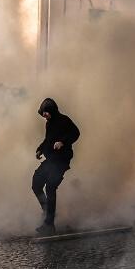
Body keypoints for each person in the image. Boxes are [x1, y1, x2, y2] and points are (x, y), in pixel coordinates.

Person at [32, 98, 80, 235]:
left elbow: (76, 133)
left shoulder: (64, 120)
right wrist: (40, 149)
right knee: (36, 184)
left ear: (52, 110)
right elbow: (48, 139)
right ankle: (49, 212)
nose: (44, 115)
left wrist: (62, 142)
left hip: (62, 160)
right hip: (51, 160)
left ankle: (49, 224)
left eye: (46, 112)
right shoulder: (49, 124)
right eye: (43, 113)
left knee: (51, 187)